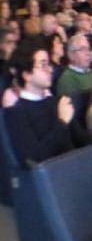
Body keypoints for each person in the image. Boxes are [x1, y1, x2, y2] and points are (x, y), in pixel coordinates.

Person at [4, 37, 78, 166]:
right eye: (43, 65)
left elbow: (81, 137)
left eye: (49, 64)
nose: (50, 69)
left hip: (76, 166)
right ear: (26, 74)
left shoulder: (55, 102)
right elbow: (35, 158)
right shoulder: (16, 113)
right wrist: (61, 122)